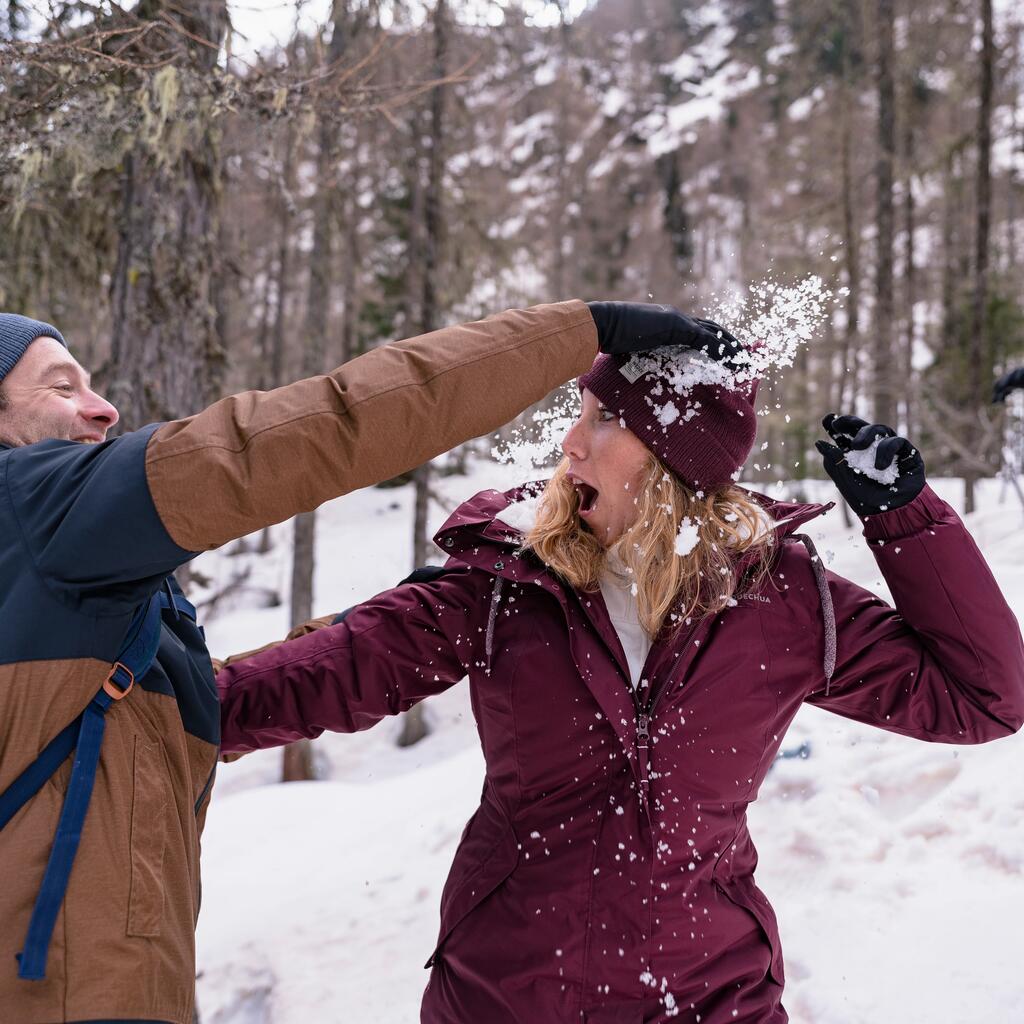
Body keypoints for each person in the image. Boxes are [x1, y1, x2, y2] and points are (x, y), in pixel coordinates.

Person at [217, 345, 1024, 1023]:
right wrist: (150, 703)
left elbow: (985, 697)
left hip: (712, 997)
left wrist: (905, 518)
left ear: (676, 458)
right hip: (505, 997)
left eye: (604, 419)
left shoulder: (777, 597)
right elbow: (307, 682)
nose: (570, 444)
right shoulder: (504, 584)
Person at [0, 300, 730, 1024]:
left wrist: (409, 620)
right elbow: (327, 424)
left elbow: (202, 708)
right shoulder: (34, 505)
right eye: (61, 387)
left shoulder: (48, 587)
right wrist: (581, 331)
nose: (103, 409)